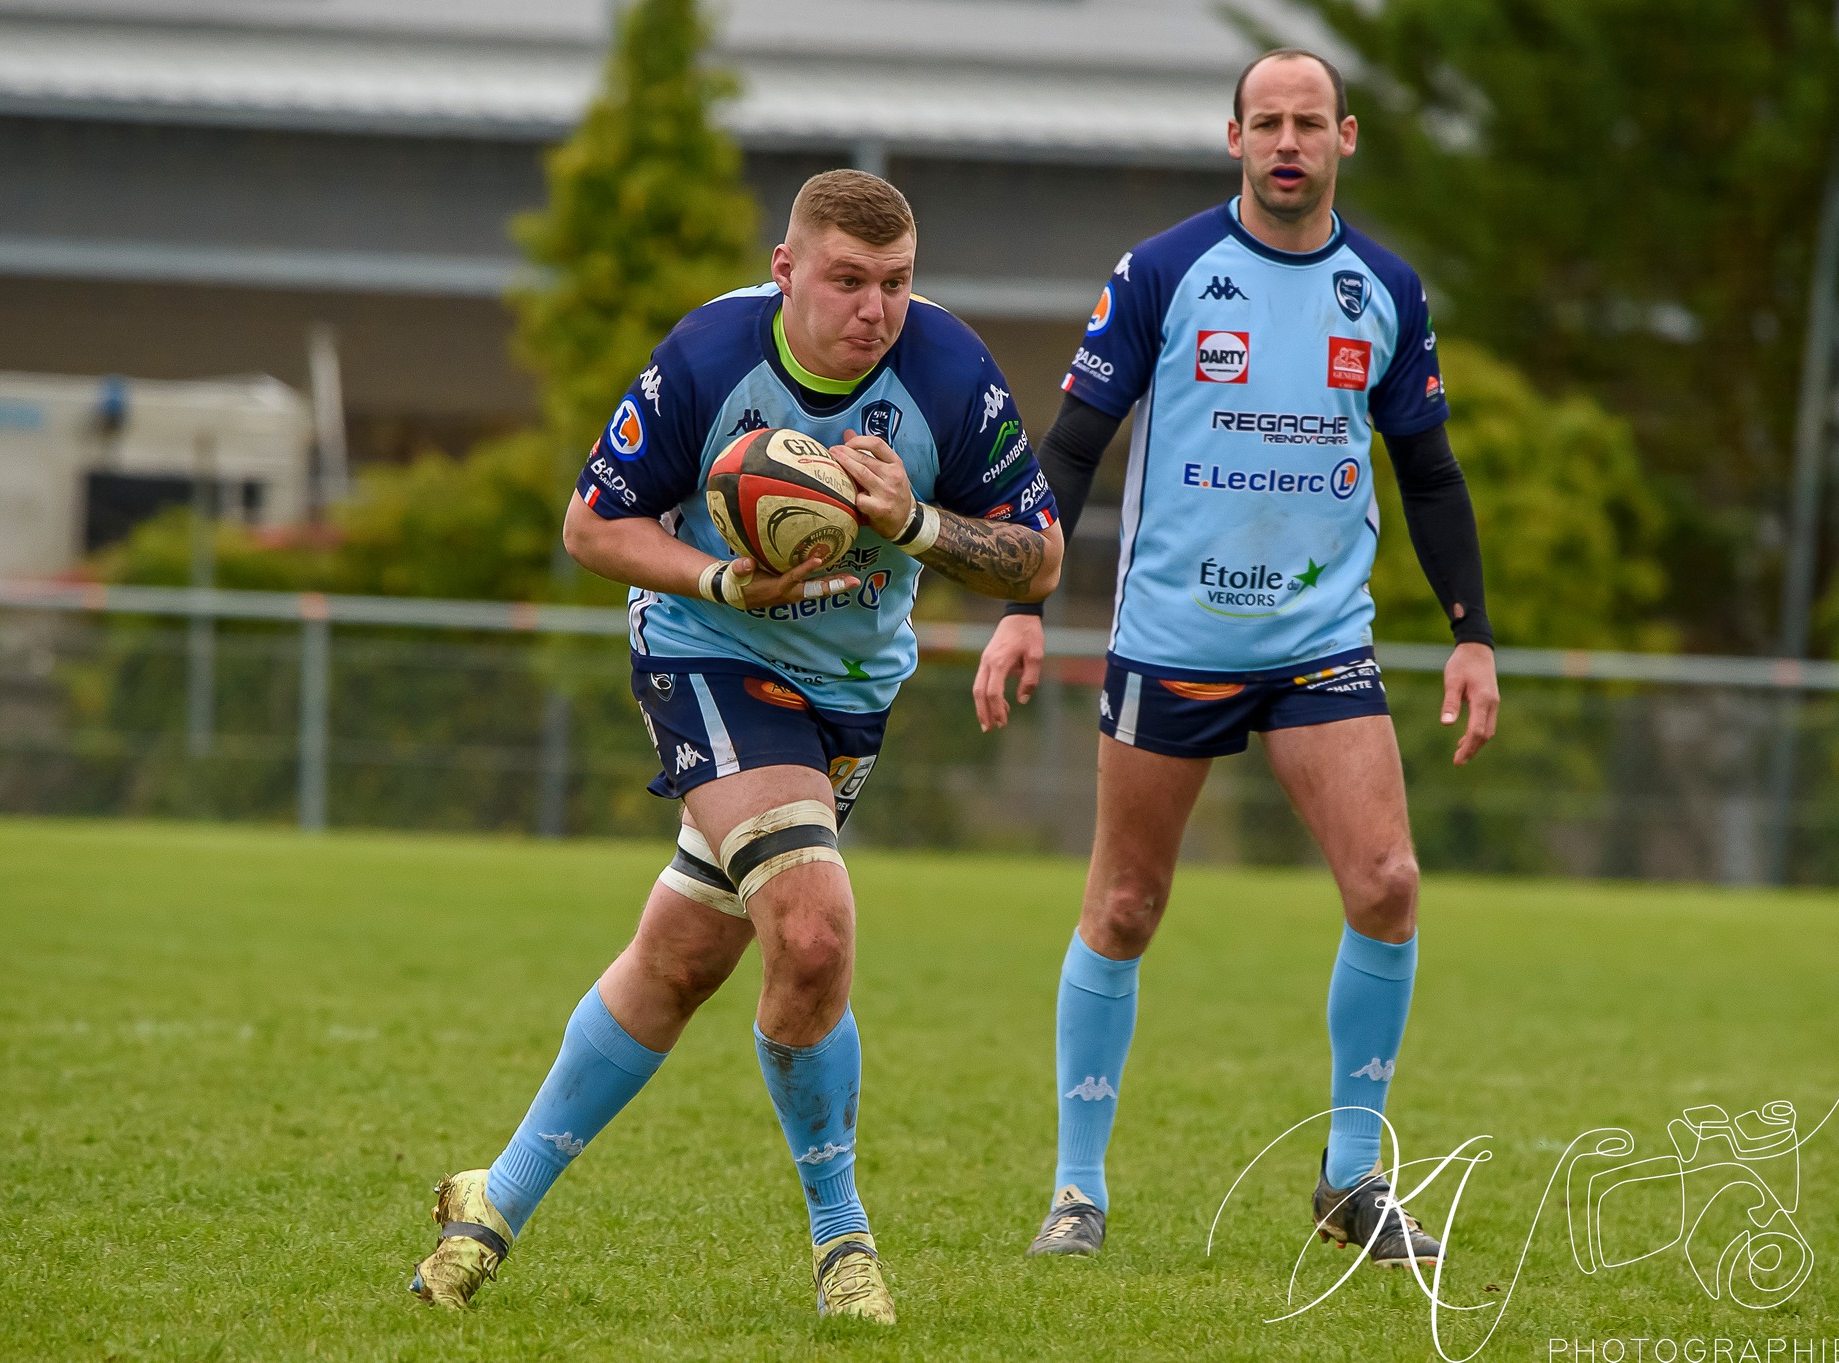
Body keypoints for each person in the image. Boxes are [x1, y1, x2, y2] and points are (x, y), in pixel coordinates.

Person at [410, 169, 1064, 1322]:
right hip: (706, 650)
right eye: (848, 281)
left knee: (680, 962)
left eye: (897, 283)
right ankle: (842, 1240)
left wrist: (908, 519)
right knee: (810, 933)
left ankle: (492, 1199)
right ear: (785, 268)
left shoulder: (949, 371)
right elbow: (591, 524)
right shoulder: (712, 357)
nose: (875, 308)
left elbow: (1038, 557)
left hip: (850, 694)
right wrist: (721, 577)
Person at [973, 48, 1498, 1267]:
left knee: (1387, 884)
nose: (1285, 141)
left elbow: (1426, 472)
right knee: (1122, 904)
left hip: (1320, 643)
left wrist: (1470, 634)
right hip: (1173, 643)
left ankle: (1351, 1179)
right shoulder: (1160, 274)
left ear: (1343, 139)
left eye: (1306, 122)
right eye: (1264, 121)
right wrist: (1021, 604)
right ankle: (1076, 1192)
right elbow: (1067, 453)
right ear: (1233, 140)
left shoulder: (1385, 289)